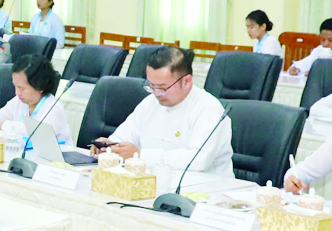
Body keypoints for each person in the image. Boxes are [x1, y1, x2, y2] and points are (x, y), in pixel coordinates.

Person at [92, 45, 234, 177]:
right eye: (151, 86)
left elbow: (197, 161)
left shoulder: (208, 109)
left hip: (205, 188)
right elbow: (124, 137)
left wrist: (140, 155)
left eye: (162, 88)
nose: (157, 94)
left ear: (186, 81)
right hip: (154, 183)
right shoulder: (150, 103)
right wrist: (109, 146)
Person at [0, 54, 71, 144]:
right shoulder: (20, 101)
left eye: (21, 88)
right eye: (15, 86)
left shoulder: (54, 109)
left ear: (40, 86)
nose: (17, 93)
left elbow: (38, 132)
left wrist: (5, 125)